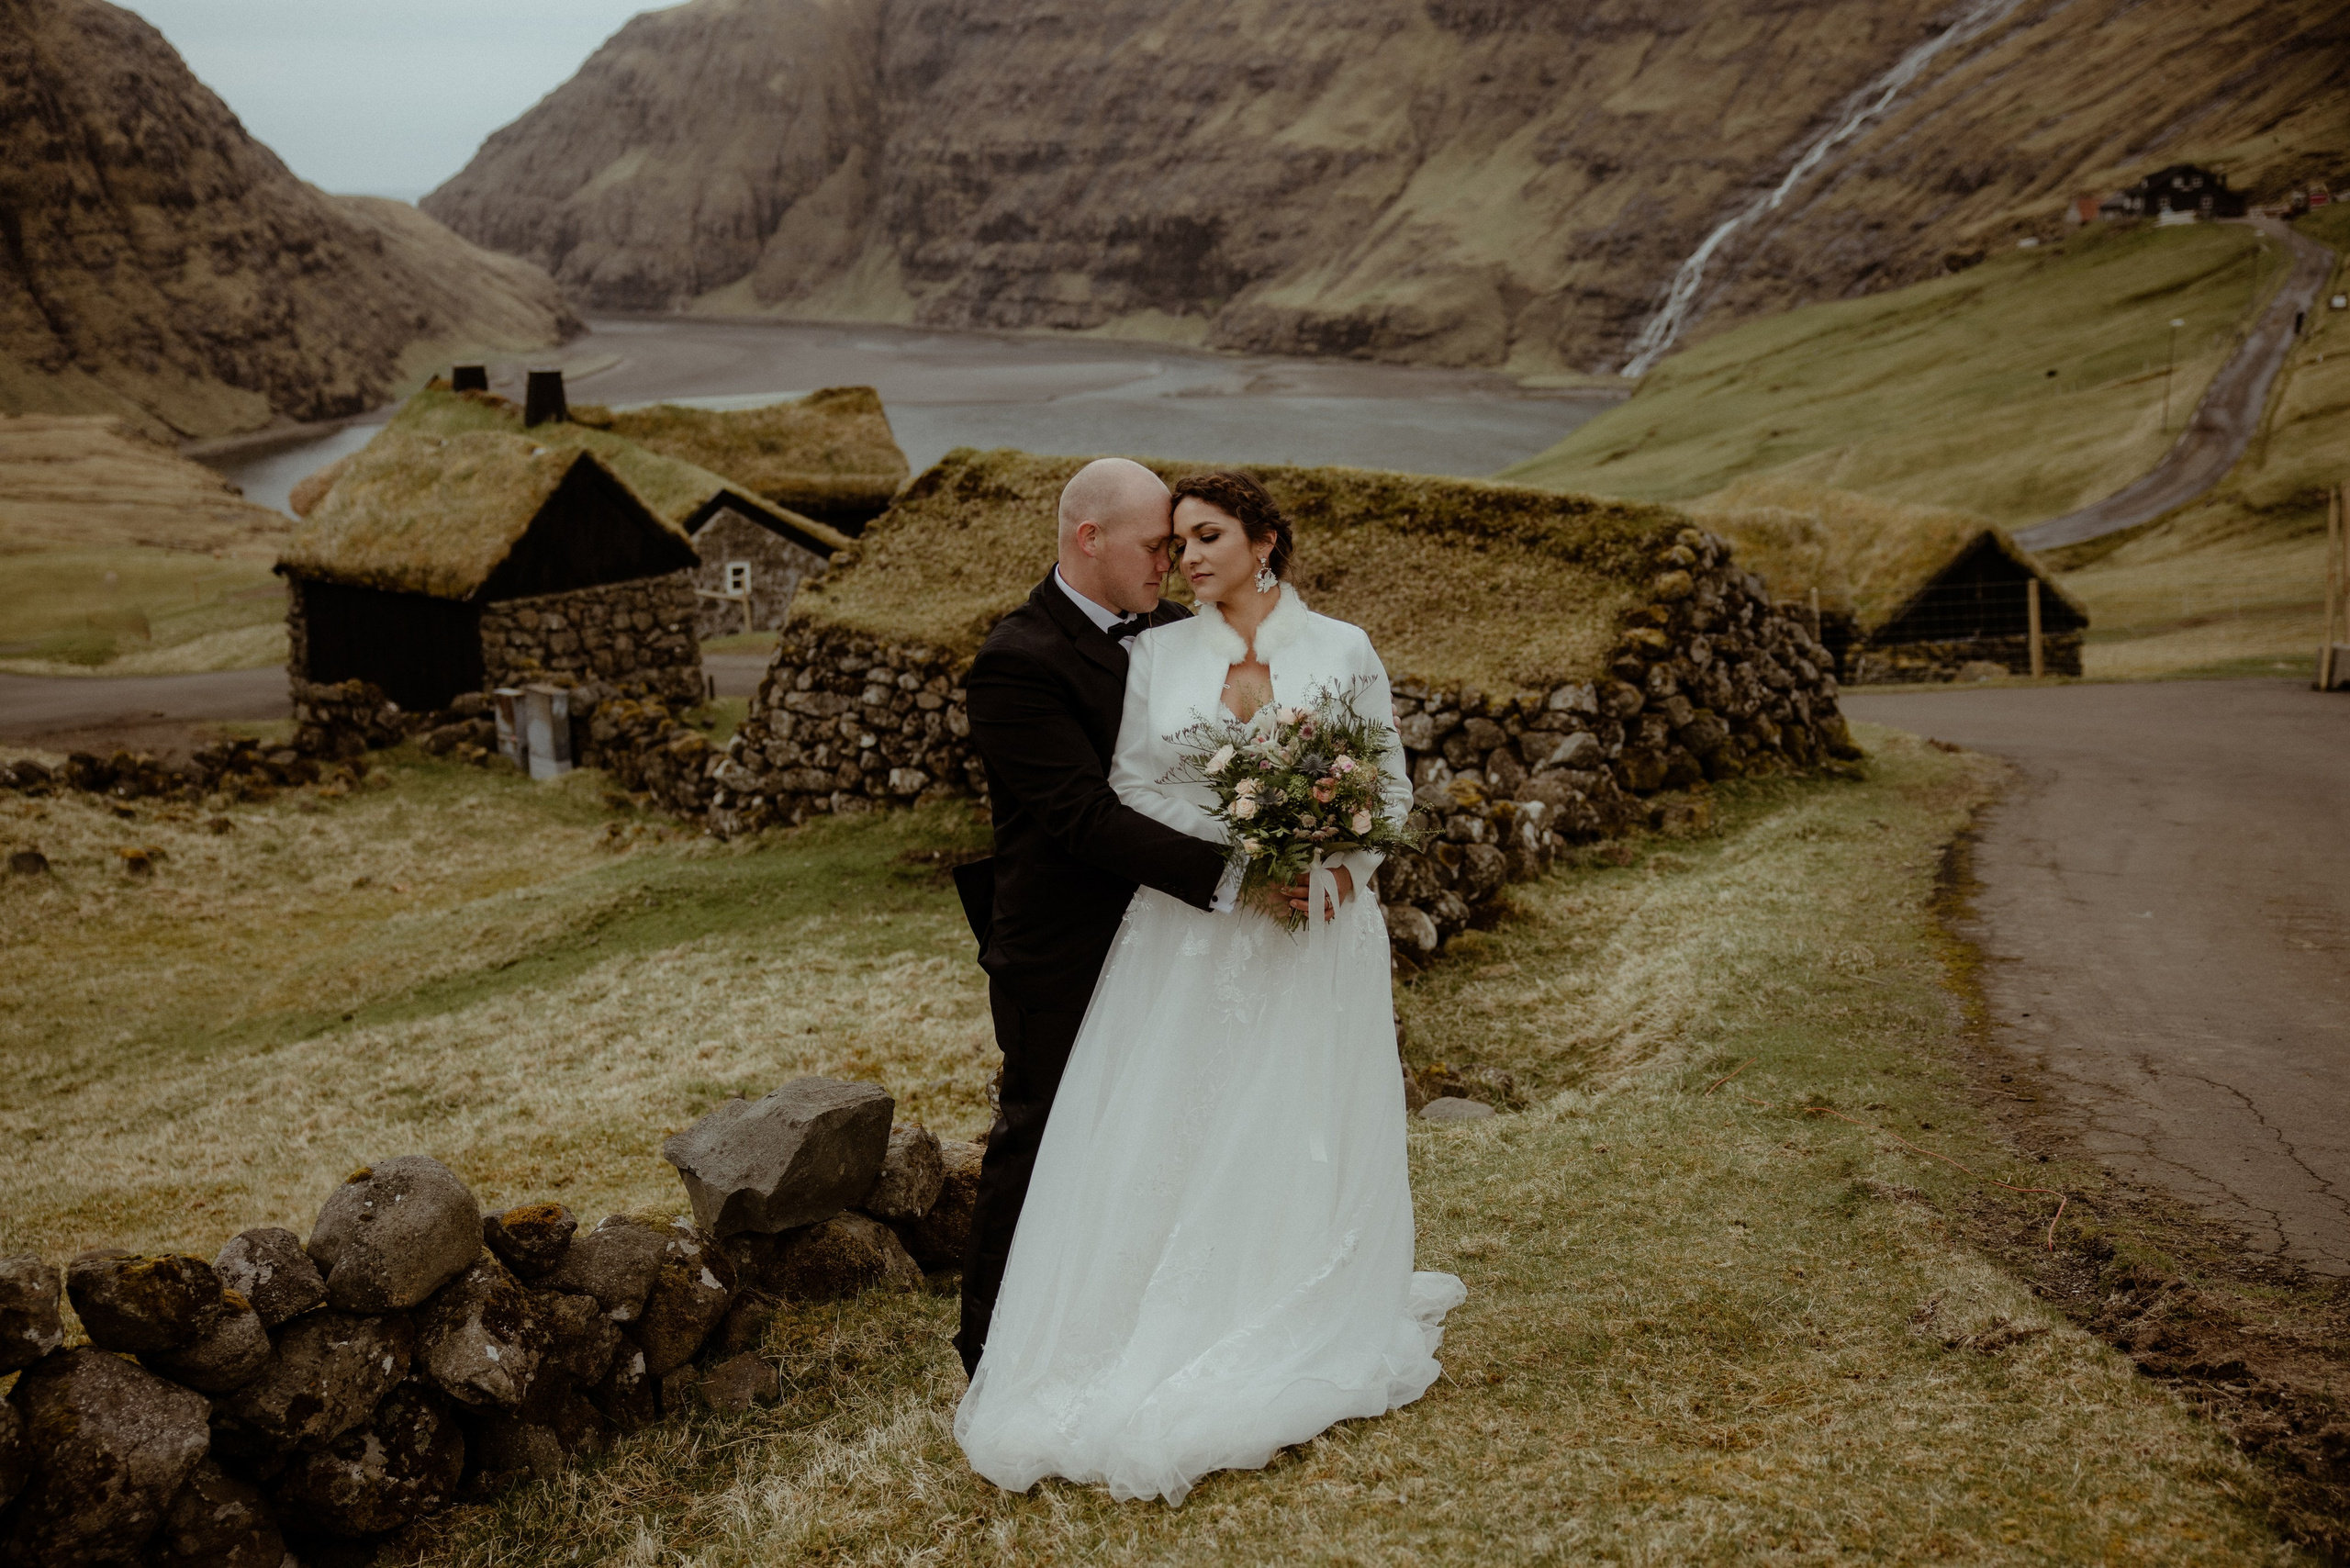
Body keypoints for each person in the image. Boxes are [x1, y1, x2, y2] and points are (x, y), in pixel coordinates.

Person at [955, 468, 1463, 1506]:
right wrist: (1247, 864)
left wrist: (1335, 867)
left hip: (1311, 933)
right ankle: (1018, 1340)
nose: (1180, 559)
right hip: (1173, 937)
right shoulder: (1131, 654)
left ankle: (1289, 1297)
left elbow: (1390, 790)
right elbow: (1116, 794)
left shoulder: (1340, 649)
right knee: (1114, 1127)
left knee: (1296, 1121)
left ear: (1264, 540)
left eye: (1200, 537)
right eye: (1167, 542)